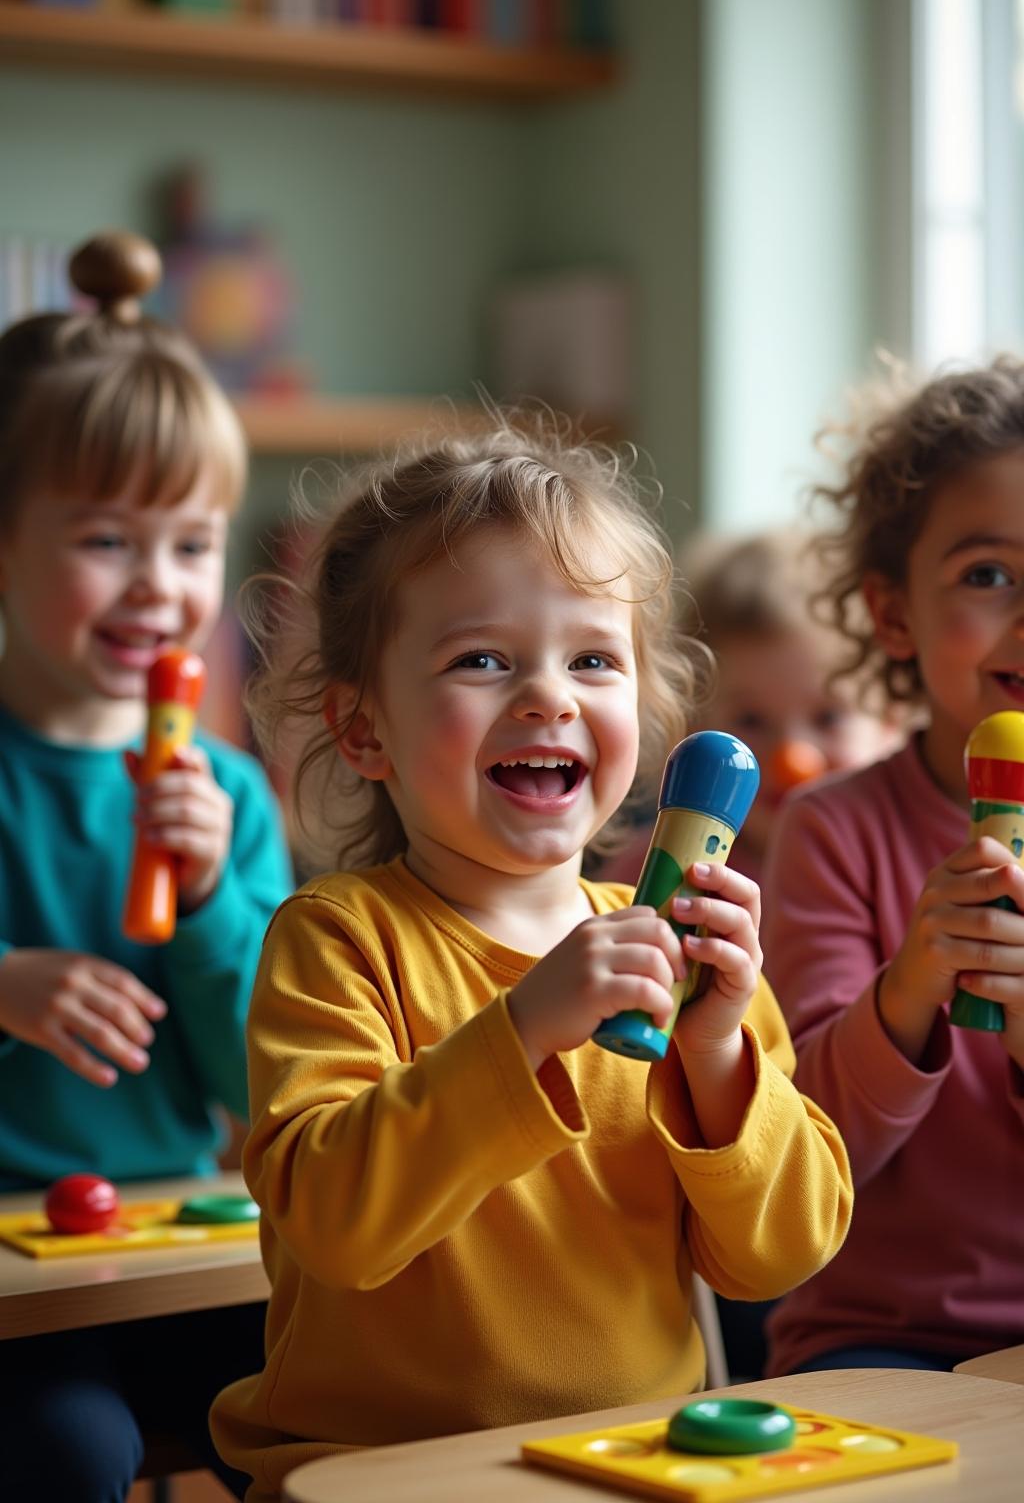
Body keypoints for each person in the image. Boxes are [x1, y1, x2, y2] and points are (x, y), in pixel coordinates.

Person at [210, 413, 852, 1501]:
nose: (549, 694)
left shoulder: (693, 965)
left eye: (592, 658)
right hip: (379, 1474)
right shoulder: (334, 941)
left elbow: (780, 1254)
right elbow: (334, 1228)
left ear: (640, 715)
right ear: (364, 732)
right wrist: (524, 1031)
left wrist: (719, 1056)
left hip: (638, 1466)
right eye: (482, 659)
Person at [0, 232, 294, 1500]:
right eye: (107, 542)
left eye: (190, 545)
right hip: (17, 1292)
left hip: (179, 1245)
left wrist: (219, 898)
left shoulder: (226, 791)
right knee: (72, 1451)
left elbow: (268, 1080)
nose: (159, 588)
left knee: (334, 1401)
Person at [762, 358, 1024, 1377]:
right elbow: (805, 1147)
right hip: (881, 1341)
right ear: (894, 613)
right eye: (987, 574)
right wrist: (913, 983)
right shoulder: (834, 832)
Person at [600, 529, 900, 891]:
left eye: (828, 718)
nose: (792, 757)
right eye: (752, 720)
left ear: (891, 721)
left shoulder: (907, 866)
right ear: (690, 726)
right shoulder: (650, 871)